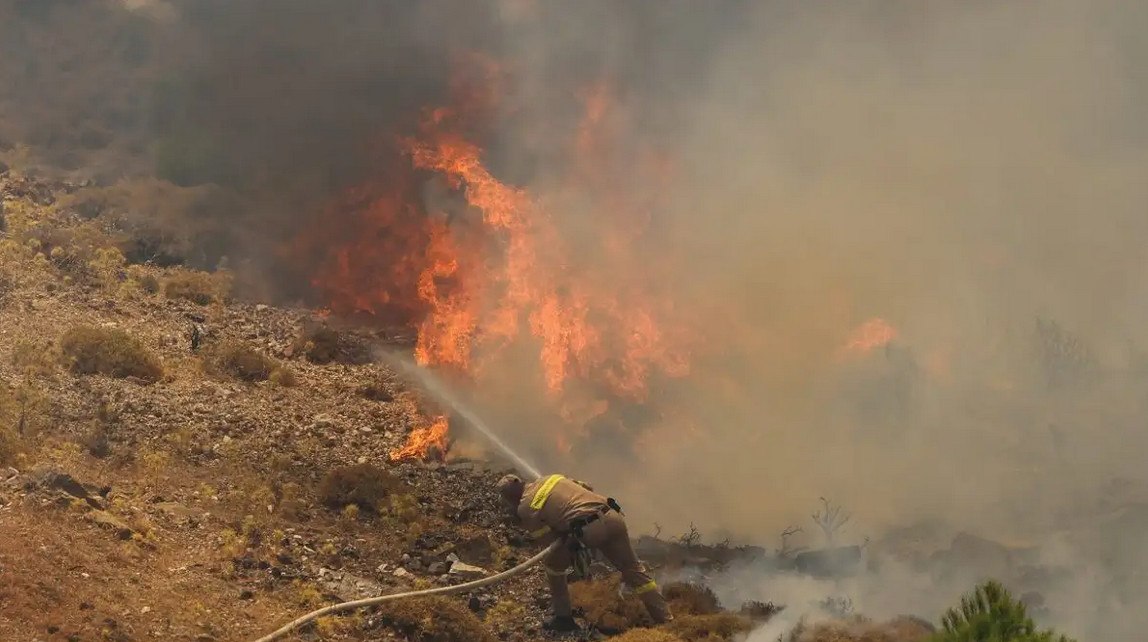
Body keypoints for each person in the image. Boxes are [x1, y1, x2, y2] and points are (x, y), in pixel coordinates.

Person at [497, 473, 673, 632]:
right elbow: (588, 487)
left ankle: (563, 618)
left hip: (588, 529)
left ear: (509, 497)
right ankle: (666, 621)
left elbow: (550, 544)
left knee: (553, 566)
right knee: (634, 570)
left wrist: (564, 537)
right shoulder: (550, 478)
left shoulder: (525, 508)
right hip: (612, 515)